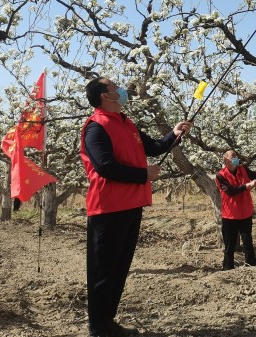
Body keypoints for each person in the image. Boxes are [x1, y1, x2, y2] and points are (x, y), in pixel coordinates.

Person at [80, 77, 193, 337]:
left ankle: (108, 323)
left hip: (132, 204)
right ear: (104, 96)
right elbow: (105, 167)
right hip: (107, 208)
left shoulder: (126, 122)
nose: (121, 89)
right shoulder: (95, 128)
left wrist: (174, 134)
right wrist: (144, 175)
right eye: (114, 87)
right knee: (103, 271)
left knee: (119, 268)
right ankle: (98, 328)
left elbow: (153, 147)